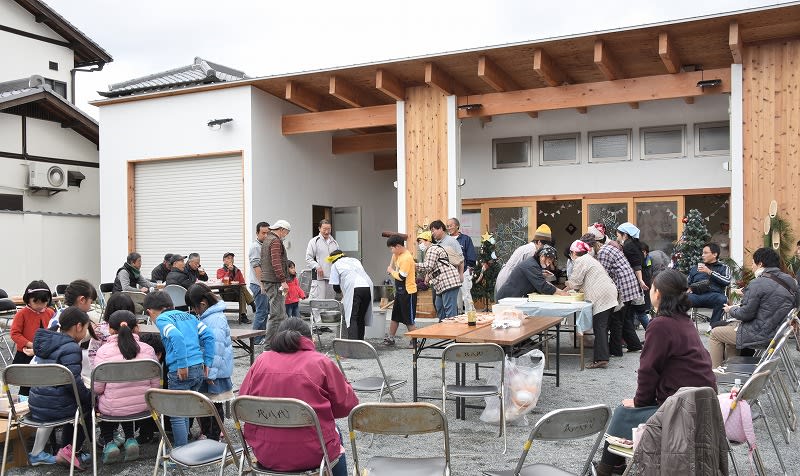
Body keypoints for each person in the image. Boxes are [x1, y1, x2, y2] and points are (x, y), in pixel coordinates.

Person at [594, 269, 717, 476]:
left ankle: (608, 470)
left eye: (651, 288)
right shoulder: (684, 321)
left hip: (681, 409)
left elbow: (648, 371)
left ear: (657, 293)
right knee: (628, 410)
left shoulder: (660, 324)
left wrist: (640, 402)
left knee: (623, 412)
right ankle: (614, 468)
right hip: (703, 404)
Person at [239, 318, 358, 476]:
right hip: (313, 453)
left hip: (265, 452)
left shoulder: (260, 361)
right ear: (310, 339)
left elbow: (243, 406)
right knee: (336, 434)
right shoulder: (321, 362)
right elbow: (347, 406)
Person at [144, 291, 215, 447]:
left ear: (150, 312)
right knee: (186, 409)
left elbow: (176, 336)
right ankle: (186, 447)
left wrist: (182, 364)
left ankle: (180, 452)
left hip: (180, 371)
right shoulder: (189, 316)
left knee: (177, 413)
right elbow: (209, 336)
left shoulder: (163, 318)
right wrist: (208, 362)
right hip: (198, 368)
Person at [28, 307, 95, 471]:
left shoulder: (45, 342)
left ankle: (37, 452)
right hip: (56, 408)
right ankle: (71, 451)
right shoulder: (71, 348)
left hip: (37, 404)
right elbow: (72, 383)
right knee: (87, 405)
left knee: (71, 399)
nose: (86, 332)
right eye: (86, 328)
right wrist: (90, 396)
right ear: (78, 326)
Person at [710, 247, 798, 367]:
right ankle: (732, 368)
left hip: (760, 334)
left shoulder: (757, 283)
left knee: (715, 333)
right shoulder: (791, 281)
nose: (751, 267)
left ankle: (714, 373)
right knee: (729, 331)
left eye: (752, 263)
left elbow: (745, 314)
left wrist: (731, 309)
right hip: (776, 332)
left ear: (760, 264)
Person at [93, 310, 160, 464]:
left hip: (113, 409)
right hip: (143, 407)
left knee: (109, 401)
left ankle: (109, 443)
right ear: (136, 327)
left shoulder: (103, 352)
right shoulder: (148, 349)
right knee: (127, 400)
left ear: (110, 329)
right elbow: (155, 385)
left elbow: (97, 389)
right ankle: (130, 439)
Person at [184, 283, 234, 441]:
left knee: (214, 406)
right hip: (210, 369)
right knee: (206, 404)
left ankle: (213, 437)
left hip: (213, 372)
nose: (193, 311)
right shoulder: (210, 316)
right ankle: (209, 434)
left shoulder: (215, 319)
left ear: (203, 304)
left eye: (194, 307)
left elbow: (217, 350)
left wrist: (210, 374)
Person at [564, 240, 618, 369]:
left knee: (599, 327)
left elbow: (575, 282)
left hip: (602, 295)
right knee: (602, 327)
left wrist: (560, 291)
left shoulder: (581, 261)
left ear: (573, 253)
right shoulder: (589, 258)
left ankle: (601, 359)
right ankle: (604, 356)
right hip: (608, 293)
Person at [593, 234, 643, 355]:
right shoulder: (609, 248)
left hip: (623, 287)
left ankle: (615, 350)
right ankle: (634, 344)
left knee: (616, 320)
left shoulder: (603, 252)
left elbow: (603, 273)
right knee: (624, 318)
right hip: (629, 286)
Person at [10, 281, 54, 398]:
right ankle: (23, 405)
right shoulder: (22, 314)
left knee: (45, 382)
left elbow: (55, 332)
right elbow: (15, 333)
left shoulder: (50, 312)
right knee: (25, 385)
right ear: (28, 299)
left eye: (44, 302)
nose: (40, 305)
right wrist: (30, 344)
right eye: (36, 302)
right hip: (25, 354)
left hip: (45, 354)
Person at [416, 230, 463, 321]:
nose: (420, 245)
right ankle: (444, 329)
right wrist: (428, 276)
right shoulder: (432, 250)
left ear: (427, 240)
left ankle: (452, 331)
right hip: (441, 284)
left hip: (448, 282)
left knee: (450, 311)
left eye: (421, 242)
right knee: (439, 307)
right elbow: (434, 266)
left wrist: (414, 265)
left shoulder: (432, 249)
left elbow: (428, 266)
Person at [328, 250, 373, 340]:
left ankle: (353, 344)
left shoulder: (335, 264)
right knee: (361, 317)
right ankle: (360, 342)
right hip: (368, 287)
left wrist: (342, 295)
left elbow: (336, 287)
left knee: (352, 318)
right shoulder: (355, 260)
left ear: (333, 259)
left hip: (355, 289)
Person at [495, 245, 568, 300]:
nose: (548, 265)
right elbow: (542, 285)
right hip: (506, 299)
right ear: (542, 256)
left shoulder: (534, 264)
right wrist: (560, 292)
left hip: (512, 298)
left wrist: (559, 291)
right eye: (548, 262)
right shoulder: (531, 265)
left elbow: (540, 281)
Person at [495, 224, 553, 293]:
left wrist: (541, 272)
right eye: (544, 246)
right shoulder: (532, 250)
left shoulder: (530, 248)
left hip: (511, 278)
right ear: (539, 242)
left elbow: (530, 270)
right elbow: (529, 273)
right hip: (508, 278)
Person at [687, 242, 732, 328]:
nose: (702, 255)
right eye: (702, 253)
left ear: (715, 254)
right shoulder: (695, 268)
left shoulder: (724, 267)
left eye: (706, 253)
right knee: (680, 298)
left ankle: (712, 327)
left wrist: (709, 272)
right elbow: (687, 283)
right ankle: (684, 328)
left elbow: (727, 281)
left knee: (722, 299)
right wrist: (688, 288)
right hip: (696, 296)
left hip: (713, 296)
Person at [261, 220, 291, 345]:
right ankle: (269, 346)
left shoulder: (268, 239)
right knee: (276, 315)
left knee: (281, 314)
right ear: (281, 229)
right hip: (274, 282)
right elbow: (276, 262)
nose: (286, 235)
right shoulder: (275, 241)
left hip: (270, 280)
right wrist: (283, 280)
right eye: (286, 232)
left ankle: (281, 342)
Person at [384, 235, 418, 346]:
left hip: (408, 291)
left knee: (408, 319)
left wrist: (391, 271)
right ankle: (391, 338)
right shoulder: (397, 254)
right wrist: (394, 255)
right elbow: (394, 258)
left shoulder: (406, 258)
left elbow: (402, 276)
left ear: (398, 246)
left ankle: (414, 341)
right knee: (395, 316)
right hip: (400, 291)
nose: (391, 251)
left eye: (392, 248)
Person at [616, 223, 650, 330]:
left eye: (618, 235)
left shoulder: (629, 246)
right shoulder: (635, 244)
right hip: (641, 280)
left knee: (639, 312)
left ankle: (654, 335)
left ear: (625, 235)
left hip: (637, 282)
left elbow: (636, 265)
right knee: (634, 313)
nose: (617, 238)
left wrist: (640, 281)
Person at [305, 219, 340, 323]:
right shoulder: (314, 241)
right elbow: (308, 258)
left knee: (329, 301)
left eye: (328, 229)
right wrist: (317, 266)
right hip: (319, 277)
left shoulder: (334, 242)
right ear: (319, 228)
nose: (326, 231)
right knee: (317, 301)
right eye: (324, 229)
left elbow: (338, 258)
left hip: (332, 277)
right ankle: (316, 325)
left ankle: (326, 323)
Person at [88, 291, 136, 367]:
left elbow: (92, 353)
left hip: (106, 371)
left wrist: (95, 373)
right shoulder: (134, 328)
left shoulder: (99, 329)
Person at [447, 217, 477, 311]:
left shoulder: (465, 239)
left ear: (457, 226)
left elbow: (471, 255)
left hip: (463, 271)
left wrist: (468, 268)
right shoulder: (446, 240)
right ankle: (457, 315)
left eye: (451, 226)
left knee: (466, 295)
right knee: (454, 296)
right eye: (447, 226)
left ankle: (471, 315)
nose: (449, 228)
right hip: (450, 272)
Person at [249, 221, 270, 344]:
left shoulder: (265, 245)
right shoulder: (255, 247)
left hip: (264, 284)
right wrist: (262, 283)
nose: (266, 235)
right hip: (258, 284)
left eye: (268, 233)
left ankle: (261, 336)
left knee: (265, 312)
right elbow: (256, 267)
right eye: (263, 233)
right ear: (257, 233)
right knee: (261, 312)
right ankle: (256, 338)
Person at [216, 252, 252, 324]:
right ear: (224, 260)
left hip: (237, 293)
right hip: (226, 293)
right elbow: (222, 280)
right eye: (228, 258)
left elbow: (242, 282)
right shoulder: (220, 270)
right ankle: (251, 304)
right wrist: (229, 271)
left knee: (242, 290)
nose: (231, 260)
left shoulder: (237, 270)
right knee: (241, 291)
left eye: (232, 258)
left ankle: (243, 315)